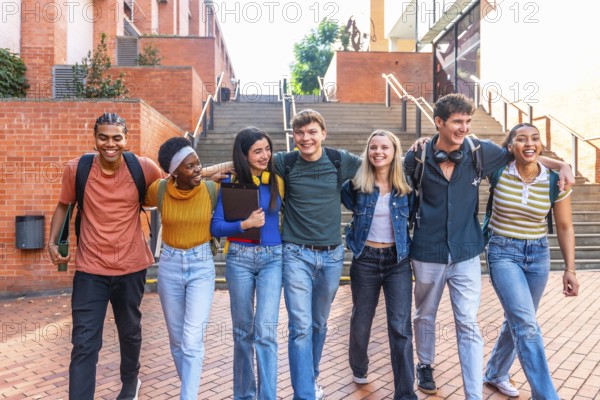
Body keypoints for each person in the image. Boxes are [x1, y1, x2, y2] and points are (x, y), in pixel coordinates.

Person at [403, 94, 574, 399]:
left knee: (468, 323)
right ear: (439, 122)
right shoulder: (415, 157)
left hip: (467, 251)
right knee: (424, 315)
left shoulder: (480, 152)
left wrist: (562, 164)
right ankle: (425, 363)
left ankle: (474, 395)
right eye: (457, 122)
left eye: (468, 121)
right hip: (427, 251)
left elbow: (523, 154)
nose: (464, 128)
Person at [48, 113, 162, 400]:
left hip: (131, 267)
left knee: (130, 331)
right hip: (91, 270)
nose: (110, 144)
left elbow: (167, 193)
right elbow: (64, 205)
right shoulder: (78, 169)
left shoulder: (144, 167)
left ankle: (130, 383)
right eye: (103, 137)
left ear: (126, 138)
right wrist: (53, 241)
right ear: (95, 138)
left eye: (116, 137)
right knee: (84, 341)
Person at [483, 123, 579, 398]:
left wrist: (570, 269)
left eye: (535, 139)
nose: (529, 144)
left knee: (519, 320)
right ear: (510, 146)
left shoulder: (553, 180)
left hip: (538, 256)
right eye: (521, 139)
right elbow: (465, 144)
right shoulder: (499, 169)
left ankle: (495, 372)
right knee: (525, 324)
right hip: (503, 252)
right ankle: (546, 395)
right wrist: (426, 143)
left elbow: (564, 226)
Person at [273, 109, 362, 399]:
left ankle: (310, 379)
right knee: (300, 326)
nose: (305, 138)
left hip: (332, 257)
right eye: (300, 133)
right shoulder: (285, 162)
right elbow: (246, 161)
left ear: (323, 133)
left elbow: (381, 163)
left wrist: (421, 149)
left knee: (318, 323)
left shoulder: (339, 160)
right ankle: (305, 394)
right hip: (295, 253)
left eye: (312, 132)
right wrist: (205, 170)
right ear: (294, 136)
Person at [341, 130, 417, 400]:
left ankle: (405, 392)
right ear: (367, 151)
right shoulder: (356, 185)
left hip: (398, 261)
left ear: (395, 151)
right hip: (366, 260)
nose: (378, 152)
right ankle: (359, 365)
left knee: (400, 324)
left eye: (385, 147)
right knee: (362, 318)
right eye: (373, 147)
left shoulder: (405, 187)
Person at [143, 136, 219, 400]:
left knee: (191, 340)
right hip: (169, 265)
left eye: (199, 163)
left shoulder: (212, 190)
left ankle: (188, 396)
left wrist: (209, 172)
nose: (197, 169)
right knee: (177, 342)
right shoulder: (160, 190)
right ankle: (190, 389)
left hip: (201, 266)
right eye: (190, 166)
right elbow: (136, 196)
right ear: (173, 172)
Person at [210, 127, 283, 400]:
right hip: (239, 258)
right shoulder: (231, 182)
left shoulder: (276, 179)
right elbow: (216, 227)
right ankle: (244, 395)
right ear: (244, 155)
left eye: (267, 149)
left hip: (273, 259)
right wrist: (245, 224)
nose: (265, 155)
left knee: (265, 331)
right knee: (243, 332)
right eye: (257, 151)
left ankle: (267, 397)